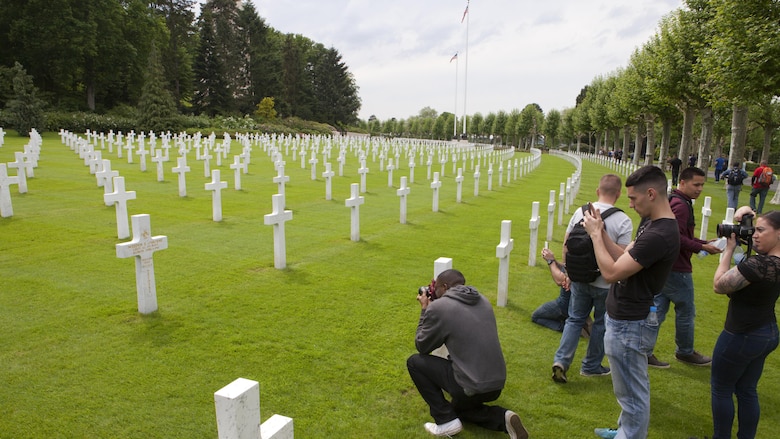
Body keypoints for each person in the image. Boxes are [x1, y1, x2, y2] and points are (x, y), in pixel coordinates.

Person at [582, 165, 680, 439]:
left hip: (630, 321)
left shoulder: (659, 234)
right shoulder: (651, 223)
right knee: (625, 387)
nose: (630, 204)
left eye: (633, 199)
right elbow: (626, 256)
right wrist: (600, 232)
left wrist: (593, 236)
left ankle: (631, 435)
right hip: (625, 315)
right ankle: (625, 430)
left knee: (633, 392)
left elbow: (611, 273)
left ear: (651, 194)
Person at [407, 269, 528, 439]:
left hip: (470, 385)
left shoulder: (439, 307)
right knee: (458, 409)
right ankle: (503, 418)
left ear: (445, 286)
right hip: (496, 384)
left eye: (437, 288)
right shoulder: (483, 300)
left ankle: (445, 421)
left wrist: (425, 309)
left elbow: (422, 345)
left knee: (414, 362)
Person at [551, 174, 633, 384]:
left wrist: (567, 272)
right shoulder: (623, 220)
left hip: (579, 279)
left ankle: (561, 360)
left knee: (574, 319)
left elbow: (567, 245)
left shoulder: (581, 212)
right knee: (600, 324)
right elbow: (622, 256)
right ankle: (591, 366)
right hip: (605, 282)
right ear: (618, 194)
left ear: (598, 191)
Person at [711, 207, 780, 439]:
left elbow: (719, 285)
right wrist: (745, 217)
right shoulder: (774, 263)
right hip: (767, 331)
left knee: (721, 389)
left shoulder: (758, 266)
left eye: (761, 230)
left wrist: (728, 250)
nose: (755, 235)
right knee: (747, 389)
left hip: (741, 334)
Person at [648, 167, 722, 368]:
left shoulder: (674, 201)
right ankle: (685, 351)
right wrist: (701, 247)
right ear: (682, 182)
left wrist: (704, 241)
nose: (699, 189)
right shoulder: (680, 206)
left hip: (663, 267)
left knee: (657, 310)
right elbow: (675, 237)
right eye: (696, 184)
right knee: (686, 311)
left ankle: (644, 350)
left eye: (702, 185)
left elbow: (681, 234)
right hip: (677, 269)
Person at [534, 248, 594, 337]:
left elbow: (561, 280)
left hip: (565, 305)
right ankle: (581, 321)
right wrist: (554, 260)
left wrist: (550, 261)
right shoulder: (587, 257)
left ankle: (569, 326)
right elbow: (565, 268)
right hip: (583, 302)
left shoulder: (576, 257)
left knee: (536, 316)